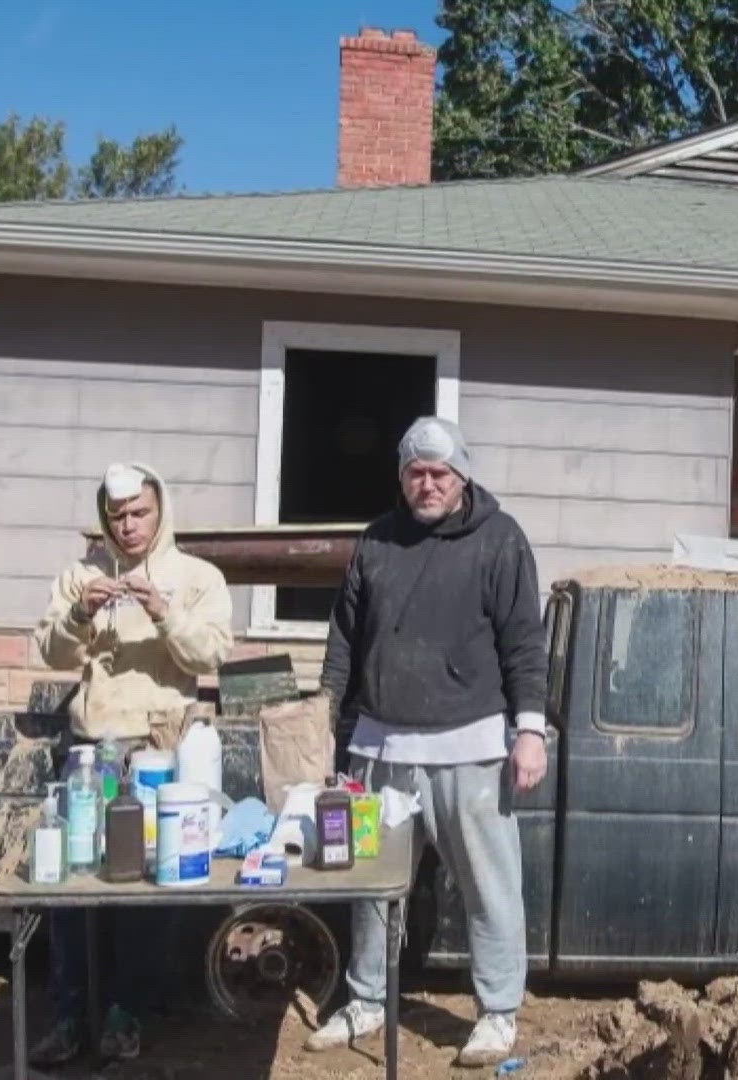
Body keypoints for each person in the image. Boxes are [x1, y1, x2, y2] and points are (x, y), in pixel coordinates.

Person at [307, 417, 549, 1068]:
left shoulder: (500, 541)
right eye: (415, 473)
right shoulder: (377, 542)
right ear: (401, 478)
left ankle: (497, 1014)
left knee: (489, 887)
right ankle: (365, 1000)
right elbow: (344, 643)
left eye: (440, 473)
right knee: (371, 884)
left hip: (470, 747)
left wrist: (530, 730)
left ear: (462, 475)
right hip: (382, 747)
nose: (427, 484)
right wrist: (326, 723)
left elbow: (524, 641)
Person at [29, 462, 233, 1065]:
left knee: (148, 883)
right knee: (75, 882)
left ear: (160, 509)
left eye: (139, 512)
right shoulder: (80, 575)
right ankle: (69, 1015)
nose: (128, 526)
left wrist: (164, 610)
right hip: (93, 751)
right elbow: (49, 652)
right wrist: (79, 615)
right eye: (117, 516)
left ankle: (126, 1013)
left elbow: (215, 650)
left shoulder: (197, 576)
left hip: (160, 749)